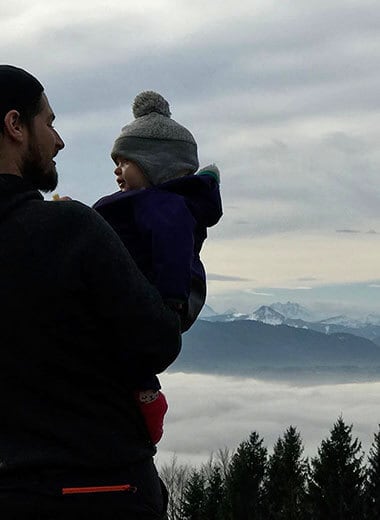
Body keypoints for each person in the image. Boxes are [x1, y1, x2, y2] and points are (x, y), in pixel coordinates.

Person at [0, 65, 181, 519]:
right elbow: (158, 339)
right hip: (98, 489)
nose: (58, 140)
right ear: (15, 125)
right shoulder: (69, 229)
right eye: (50, 122)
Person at [92, 91, 223, 446]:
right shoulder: (143, 204)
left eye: (125, 162)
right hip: (140, 292)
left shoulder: (165, 207)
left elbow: (172, 252)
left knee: (130, 355)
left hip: (157, 294)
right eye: (115, 163)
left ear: (154, 164)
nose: (117, 171)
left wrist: (170, 299)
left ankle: (148, 399)